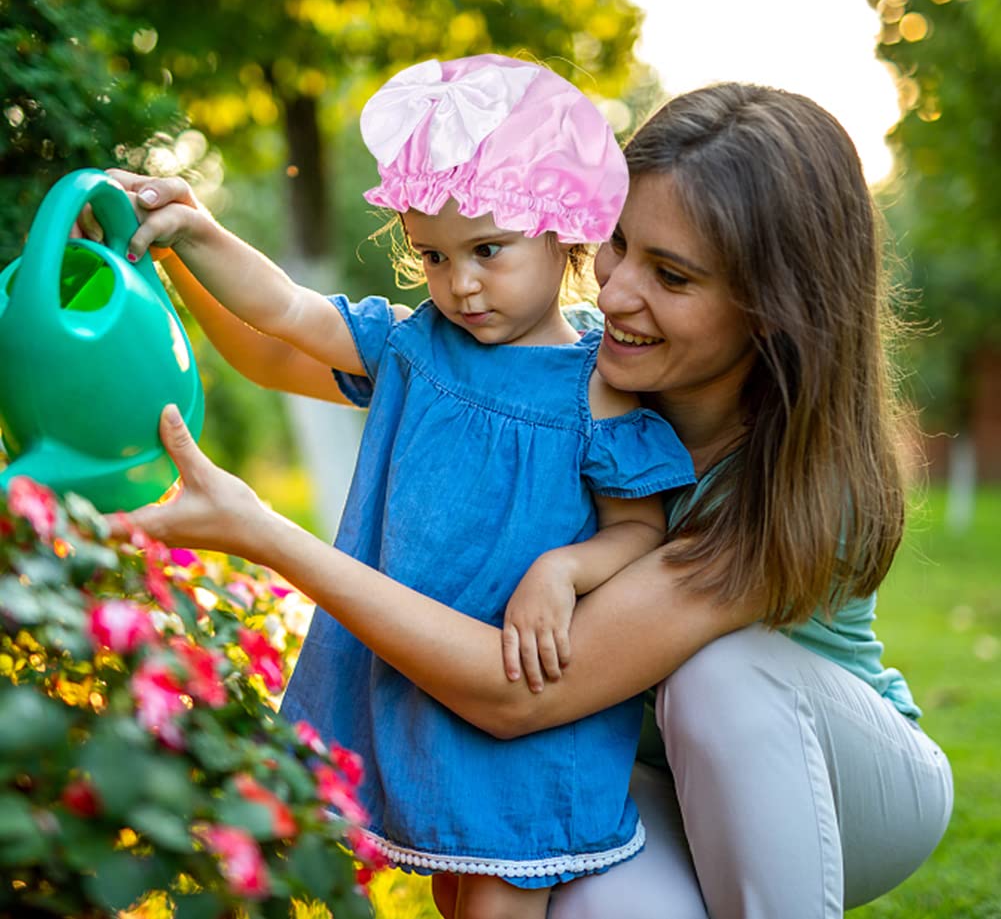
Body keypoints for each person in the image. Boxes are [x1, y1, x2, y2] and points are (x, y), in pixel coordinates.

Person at [110, 81, 953, 918]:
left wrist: (262, 532)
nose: (617, 291)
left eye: (672, 274)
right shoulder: (574, 375)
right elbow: (281, 347)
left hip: (838, 784)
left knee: (717, 677)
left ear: (770, 307)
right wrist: (177, 239)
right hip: (647, 771)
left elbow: (517, 695)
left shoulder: (796, 485)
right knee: (585, 896)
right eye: (620, 243)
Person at [100, 55, 697, 919]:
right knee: (452, 889)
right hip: (414, 679)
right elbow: (287, 311)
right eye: (433, 256)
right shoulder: (414, 348)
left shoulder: (596, 386)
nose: (459, 283)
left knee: (496, 893)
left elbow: (639, 530)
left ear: (562, 230)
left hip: (518, 693)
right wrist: (197, 231)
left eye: (487, 251)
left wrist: (563, 570)